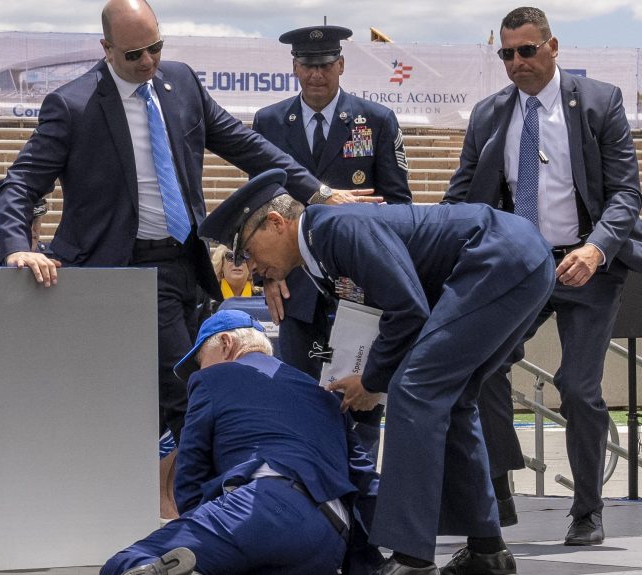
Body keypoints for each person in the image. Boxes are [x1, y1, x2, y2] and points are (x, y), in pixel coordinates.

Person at [0, 0, 377, 452]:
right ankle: (210, 499)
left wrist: (317, 191)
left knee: (163, 395)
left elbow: (247, 146)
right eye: (134, 54)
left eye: (155, 47)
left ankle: (162, 492)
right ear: (107, 48)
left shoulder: (182, 84)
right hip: (122, 269)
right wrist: (18, 245)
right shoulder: (72, 105)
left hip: (186, 263)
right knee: (189, 389)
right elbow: (20, 183)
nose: (148, 61)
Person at [201, 169, 557, 574]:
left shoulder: (335, 227)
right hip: (515, 258)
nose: (250, 267)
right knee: (451, 397)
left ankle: (412, 560)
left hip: (500, 258)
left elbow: (407, 310)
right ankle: (487, 551)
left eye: (247, 252)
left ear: (276, 223)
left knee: (415, 390)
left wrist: (372, 381)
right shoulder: (321, 246)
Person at [443, 6, 642, 548]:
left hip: (587, 265)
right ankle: (498, 488)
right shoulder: (489, 115)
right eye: (506, 53)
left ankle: (587, 509)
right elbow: (460, 198)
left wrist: (597, 249)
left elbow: (626, 194)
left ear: (553, 47)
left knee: (578, 389)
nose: (516, 62)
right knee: (480, 368)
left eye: (526, 51)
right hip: (518, 266)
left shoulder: (600, 102)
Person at [102, 309, 380, 575]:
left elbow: (190, 474)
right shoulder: (321, 393)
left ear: (226, 342)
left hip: (260, 508)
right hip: (331, 535)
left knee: (127, 562)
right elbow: (366, 482)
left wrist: (200, 528)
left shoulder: (213, 378)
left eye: (201, 360)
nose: (200, 369)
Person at [252, 24, 411, 462]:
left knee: (358, 403)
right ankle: (314, 497)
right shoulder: (269, 123)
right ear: (294, 68)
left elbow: (397, 205)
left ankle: (358, 500)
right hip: (297, 291)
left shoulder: (375, 120)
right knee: (302, 398)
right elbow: (258, 214)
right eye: (307, 66)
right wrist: (266, 277)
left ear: (340, 65)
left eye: (324, 65)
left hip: (359, 290)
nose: (316, 75)